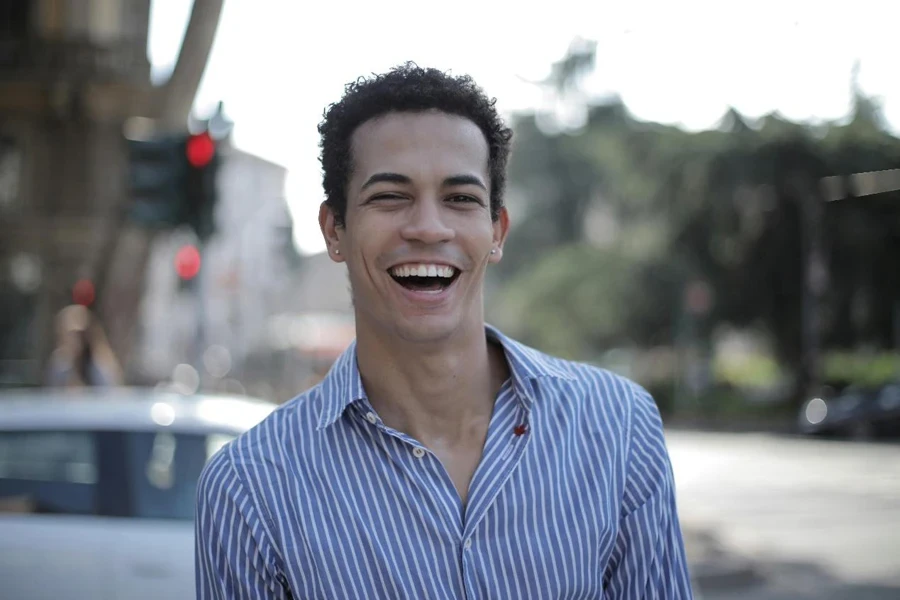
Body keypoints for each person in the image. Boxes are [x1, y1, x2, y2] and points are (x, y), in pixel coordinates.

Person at [195, 63, 694, 599]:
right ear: (334, 229)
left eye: (460, 198)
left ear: (496, 232)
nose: (429, 227)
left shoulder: (619, 429)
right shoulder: (250, 488)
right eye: (390, 196)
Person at [45, 304, 123, 388]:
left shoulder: (100, 364)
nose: (75, 339)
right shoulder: (60, 364)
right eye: (71, 335)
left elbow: (110, 393)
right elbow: (52, 392)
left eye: (79, 334)